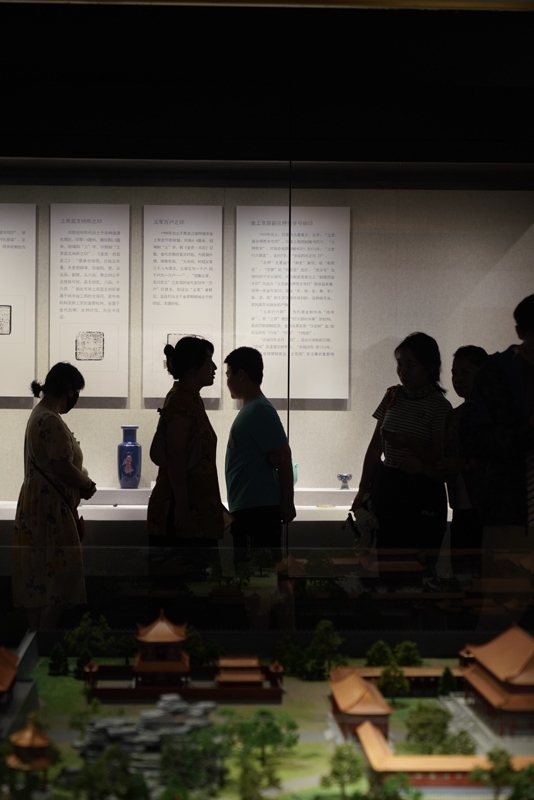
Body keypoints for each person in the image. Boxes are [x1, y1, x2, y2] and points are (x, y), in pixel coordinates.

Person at [12, 363, 96, 631]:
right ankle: (42, 640)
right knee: (62, 582)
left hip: (36, 506)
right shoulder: (50, 420)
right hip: (51, 510)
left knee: (38, 581)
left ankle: (35, 641)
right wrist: (87, 483)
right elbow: (62, 466)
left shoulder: (38, 415)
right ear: (69, 389)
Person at [351, 332, 452, 554]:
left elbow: (441, 461)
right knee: (386, 557)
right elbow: (375, 447)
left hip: (422, 490)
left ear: (429, 367)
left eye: (410, 365)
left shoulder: (440, 406)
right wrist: (362, 490)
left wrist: (412, 446)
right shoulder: (392, 395)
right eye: (400, 364)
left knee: (418, 562)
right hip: (388, 486)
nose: (403, 371)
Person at [147, 337, 228, 565]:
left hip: (193, 509)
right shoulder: (181, 401)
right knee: (186, 581)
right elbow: (176, 454)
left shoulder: (190, 399)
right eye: (209, 361)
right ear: (193, 367)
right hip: (182, 512)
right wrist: (182, 505)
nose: (214, 367)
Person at [468, 295, 534, 556]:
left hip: (509, 506)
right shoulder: (497, 372)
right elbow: (476, 439)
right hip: (510, 508)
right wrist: (528, 430)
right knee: (508, 579)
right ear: (521, 332)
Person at [224, 347, 296, 565]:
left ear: (241, 375)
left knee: (258, 575)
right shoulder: (253, 410)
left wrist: (288, 501)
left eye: (228, 374)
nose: (227, 381)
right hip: (250, 509)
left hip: (257, 511)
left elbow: (284, 455)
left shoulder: (259, 410)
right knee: (253, 574)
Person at [437, 345, 488, 556]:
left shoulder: (495, 413)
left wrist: (465, 463)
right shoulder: (452, 416)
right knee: (462, 568)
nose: (458, 379)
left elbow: (504, 456)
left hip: (489, 509)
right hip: (459, 508)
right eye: (454, 373)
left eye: (466, 372)